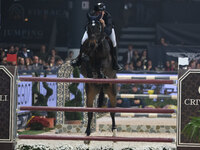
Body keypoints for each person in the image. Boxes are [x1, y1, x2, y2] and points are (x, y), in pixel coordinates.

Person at [71, 2, 122, 71]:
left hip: (107, 30)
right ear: (95, 12)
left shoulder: (108, 16)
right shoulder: (91, 15)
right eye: (98, 12)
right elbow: (86, 26)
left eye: (101, 12)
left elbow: (108, 31)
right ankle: (78, 60)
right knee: (83, 40)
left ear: (104, 11)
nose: (100, 13)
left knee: (114, 43)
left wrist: (103, 24)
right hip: (93, 32)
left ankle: (115, 63)